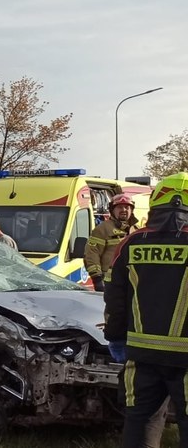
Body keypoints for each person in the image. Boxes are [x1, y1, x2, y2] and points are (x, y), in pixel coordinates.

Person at [104, 172, 188, 448]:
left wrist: (115, 337)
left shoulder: (130, 243)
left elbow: (115, 296)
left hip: (142, 358)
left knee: (141, 422)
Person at [87, 193, 141, 292]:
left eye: (127, 207)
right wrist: (97, 279)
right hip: (111, 283)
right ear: (112, 210)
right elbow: (92, 254)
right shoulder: (102, 229)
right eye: (120, 207)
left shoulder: (137, 230)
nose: (124, 210)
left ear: (132, 210)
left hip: (133, 283)